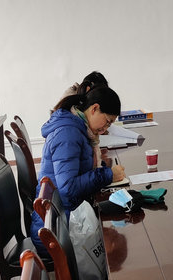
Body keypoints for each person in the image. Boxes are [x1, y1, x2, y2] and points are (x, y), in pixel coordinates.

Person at [31, 85, 126, 257]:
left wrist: (104, 172)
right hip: (56, 231)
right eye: (107, 121)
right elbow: (69, 188)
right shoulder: (68, 134)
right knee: (113, 244)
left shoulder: (78, 128)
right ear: (94, 108)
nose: (105, 129)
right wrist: (108, 175)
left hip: (62, 217)